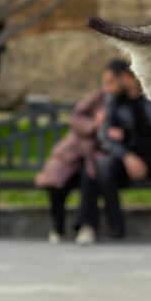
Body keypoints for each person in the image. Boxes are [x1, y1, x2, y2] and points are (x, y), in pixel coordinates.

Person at [77, 59, 151, 243]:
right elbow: (104, 135)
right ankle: (117, 229)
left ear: (126, 77)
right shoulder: (112, 100)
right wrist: (127, 157)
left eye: (111, 81)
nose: (108, 88)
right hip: (128, 161)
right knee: (104, 164)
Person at [33, 65, 111, 244]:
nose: (107, 86)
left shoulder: (121, 100)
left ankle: (86, 228)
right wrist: (94, 125)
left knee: (90, 178)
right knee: (56, 181)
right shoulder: (98, 96)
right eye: (105, 82)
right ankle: (57, 228)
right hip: (73, 154)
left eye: (111, 82)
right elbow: (76, 117)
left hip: (95, 156)